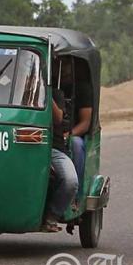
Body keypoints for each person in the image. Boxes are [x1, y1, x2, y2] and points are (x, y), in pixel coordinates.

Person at [44, 88, 79, 232]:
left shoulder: (56, 93)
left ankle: (52, 214)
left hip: (54, 150)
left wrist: (45, 89)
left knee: (71, 181)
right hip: (24, 148)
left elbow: (58, 117)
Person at [58, 57, 93, 184]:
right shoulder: (48, 87)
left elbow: (85, 123)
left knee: (76, 144)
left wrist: (68, 135)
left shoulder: (82, 88)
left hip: (72, 134)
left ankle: (76, 193)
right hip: (54, 134)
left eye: (65, 63)